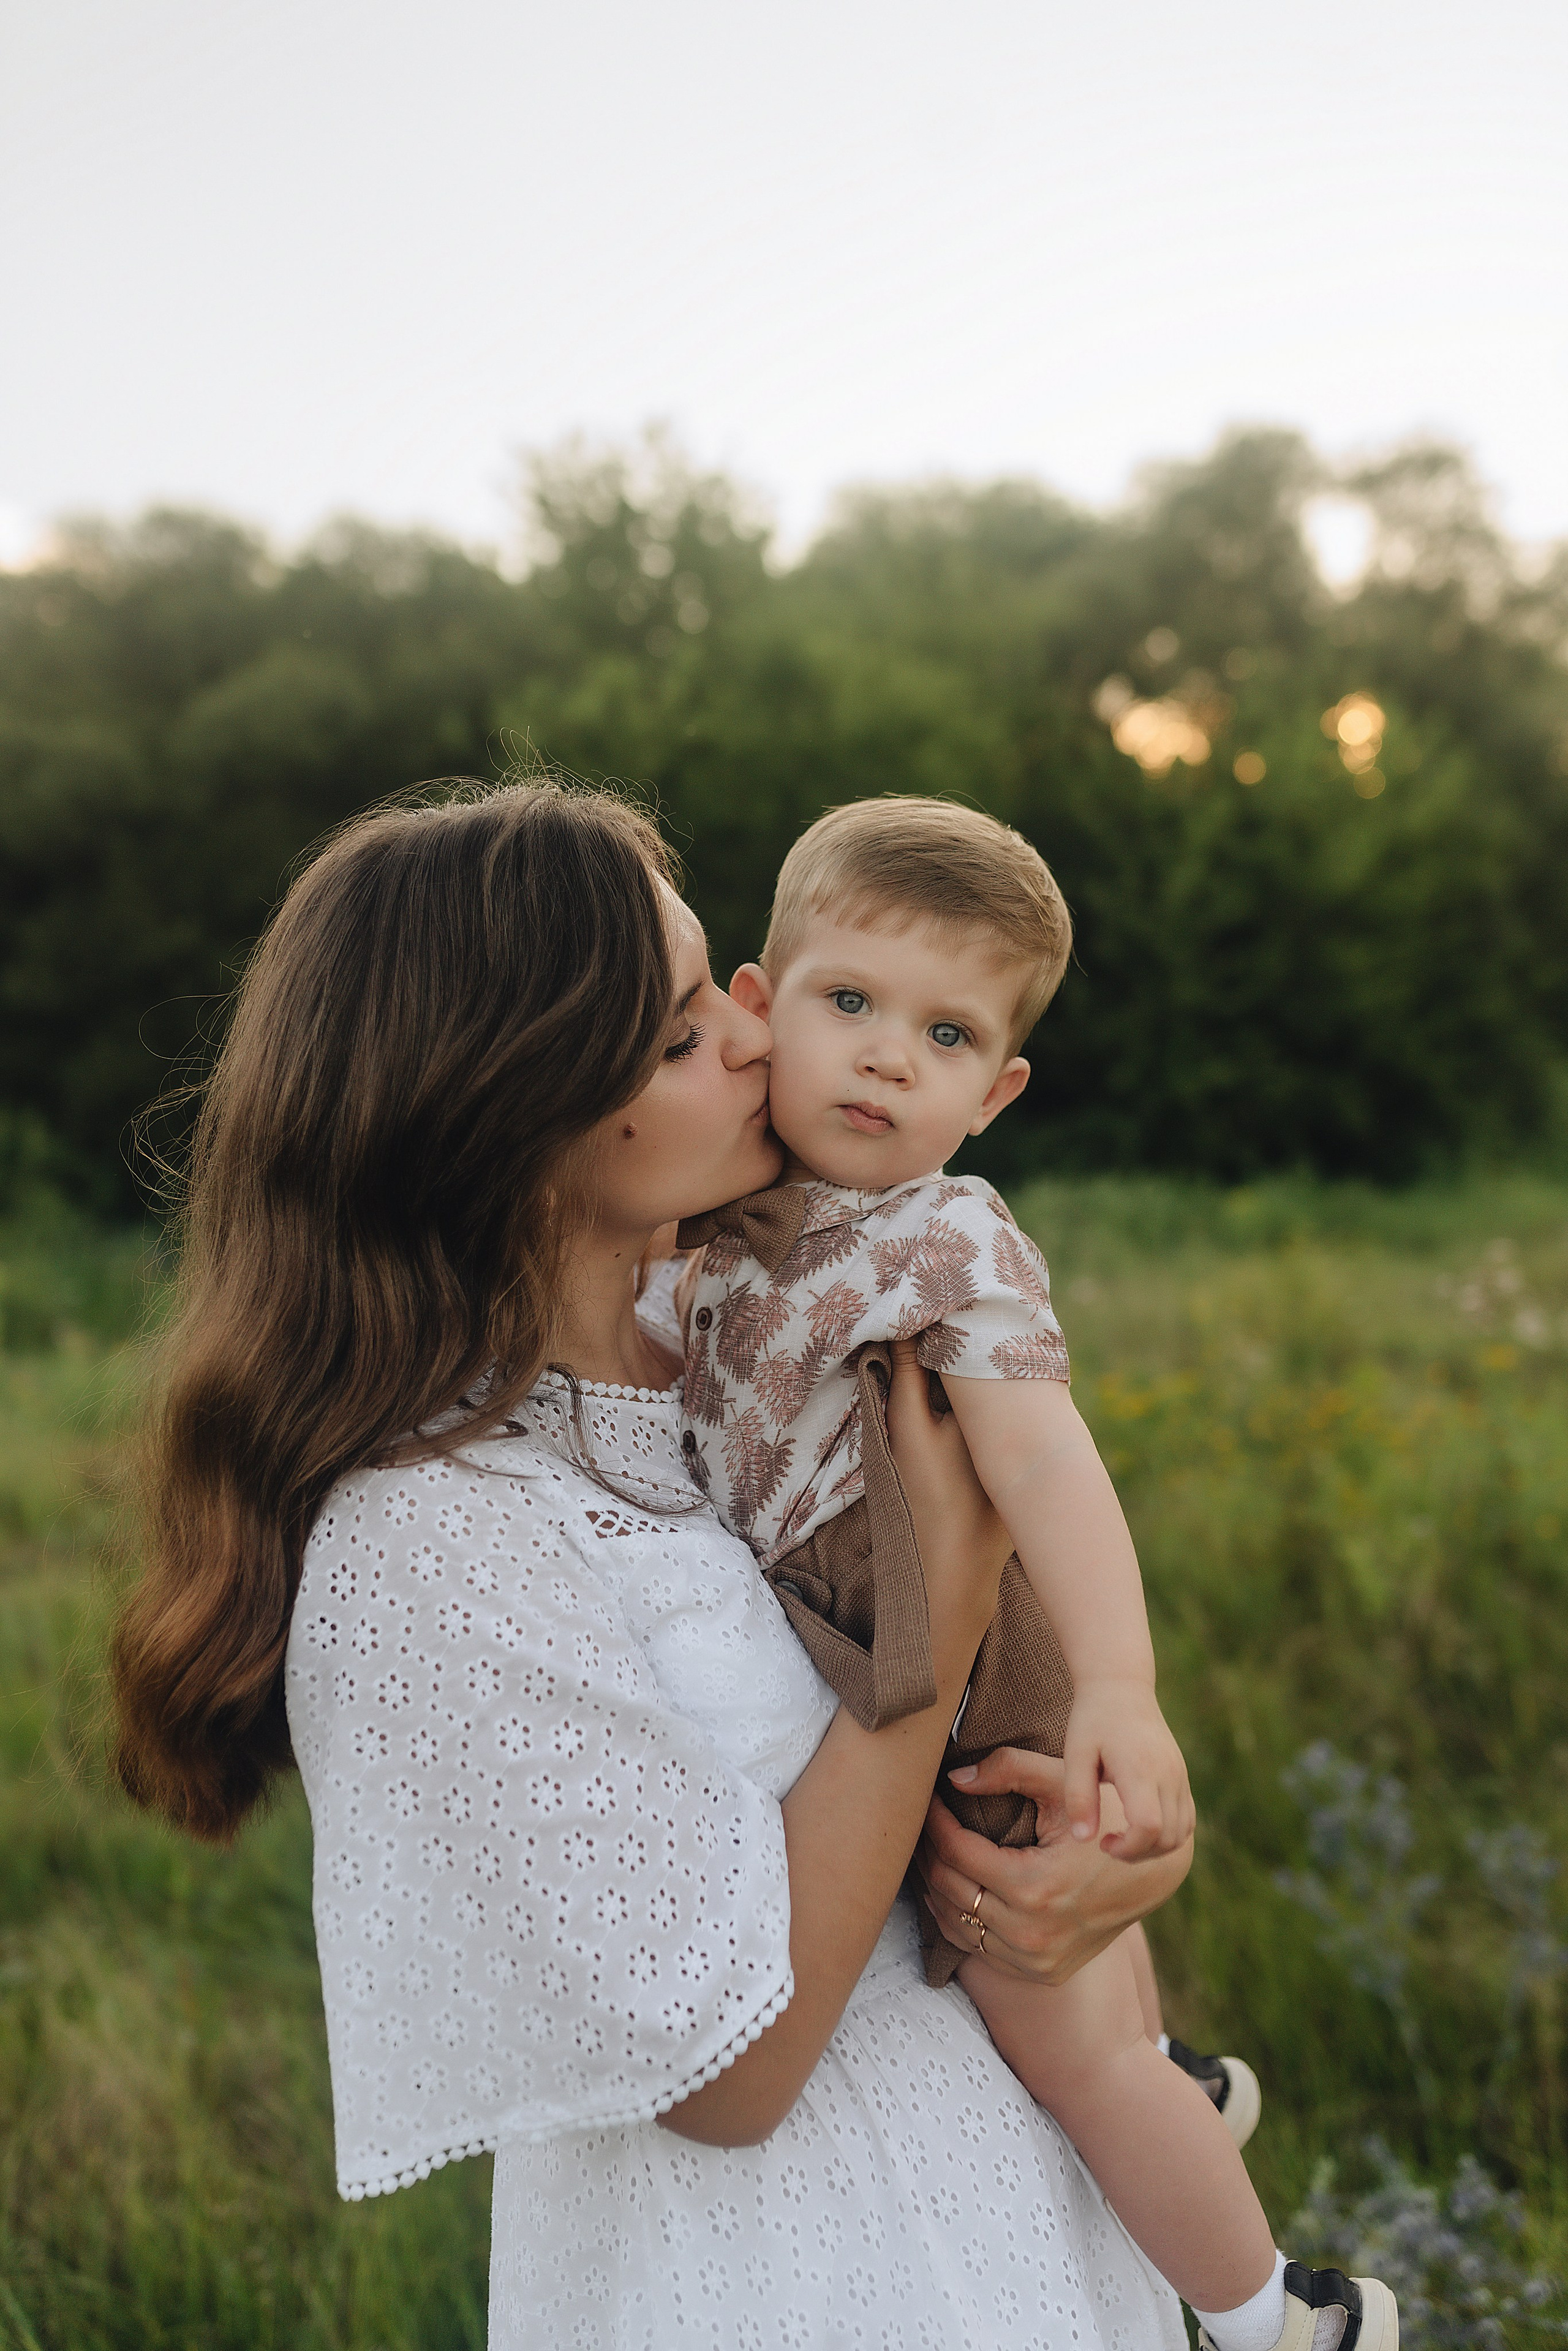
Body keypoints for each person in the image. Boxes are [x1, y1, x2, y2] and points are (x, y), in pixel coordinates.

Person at [112, 779, 1202, 2349]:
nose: (760, 1033)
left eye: (721, 985)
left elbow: (972, 1765)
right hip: (783, 2272)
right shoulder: (432, 1538)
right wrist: (937, 1617)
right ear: (521, 1116)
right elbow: (728, 2076)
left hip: (1015, 2197)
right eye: (685, 1031)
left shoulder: (732, 1355)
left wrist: (1098, 1871)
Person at [674, 796, 1397, 2351]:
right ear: (754, 1006)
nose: (882, 1055)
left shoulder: (945, 1240)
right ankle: (1175, 2069)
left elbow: (1043, 1465)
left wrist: (1119, 1688)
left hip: (963, 1660)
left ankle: (1277, 2312)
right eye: (848, 1001)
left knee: (1062, 2043)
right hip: (835, 1646)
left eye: (942, 1035)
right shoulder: (703, 1218)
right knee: (1068, 2001)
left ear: (993, 1091)